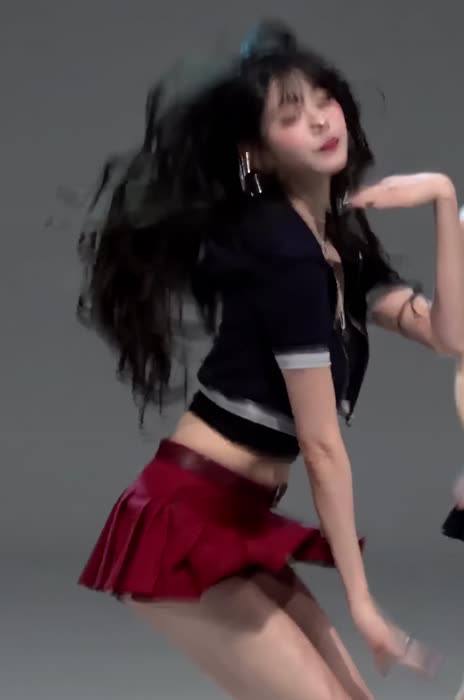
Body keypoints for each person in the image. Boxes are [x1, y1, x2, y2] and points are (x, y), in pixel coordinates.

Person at [76, 20, 464, 700]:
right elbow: (320, 446)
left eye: (324, 100)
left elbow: (448, 336)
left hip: (238, 514)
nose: (318, 120)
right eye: (290, 115)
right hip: (184, 520)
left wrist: (442, 200)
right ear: (255, 153)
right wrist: (363, 606)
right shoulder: (285, 251)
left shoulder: (336, 239)